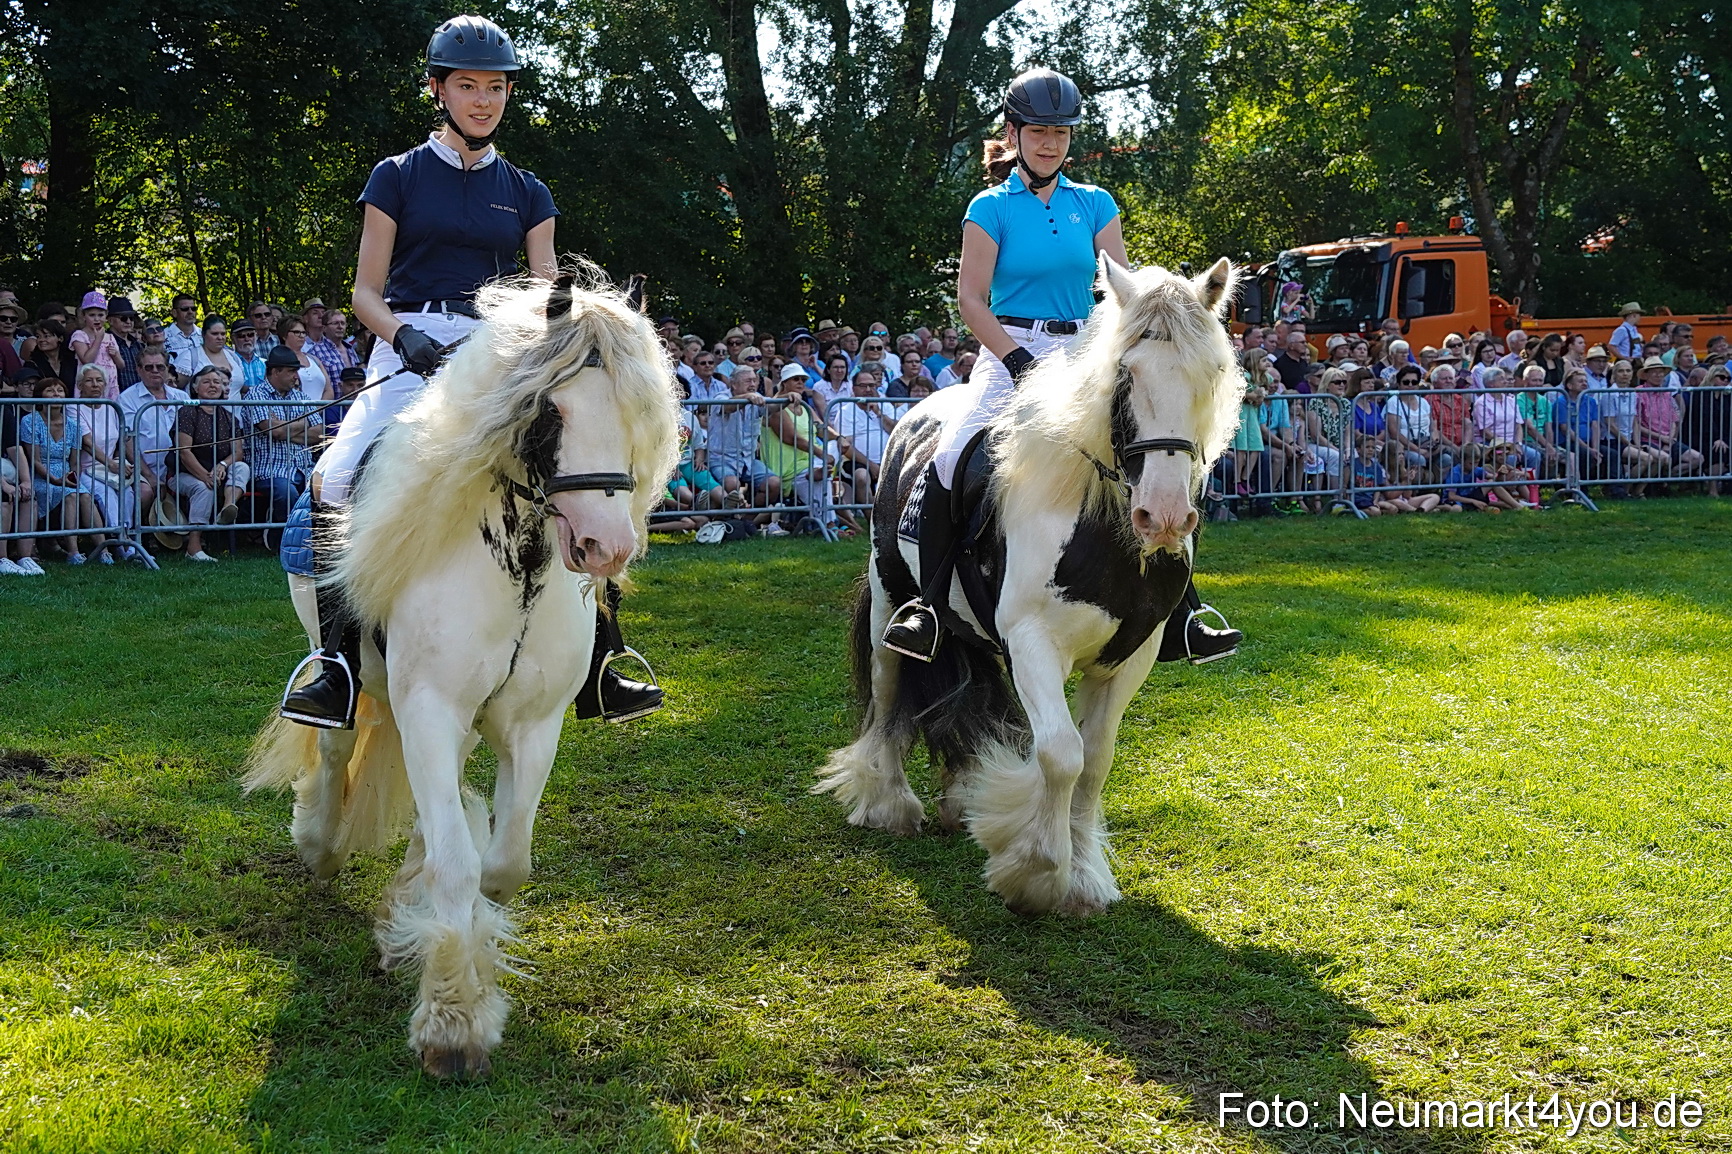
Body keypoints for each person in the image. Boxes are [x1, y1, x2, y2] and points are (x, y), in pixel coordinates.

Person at [282, 16, 659, 730]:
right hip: (408, 343)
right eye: (467, 86)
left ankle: (605, 655)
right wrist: (405, 333)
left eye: (495, 88)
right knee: (337, 477)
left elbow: (551, 298)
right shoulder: (395, 177)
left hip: (502, 353)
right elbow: (364, 292)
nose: (483, 100)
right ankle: (334, 663)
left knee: (578, 477)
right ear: (438, 90)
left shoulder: (527, 190)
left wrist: (545, 350)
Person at [881, 68, 1239, 663]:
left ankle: (1182, 611)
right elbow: (972, 299)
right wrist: (1017, 358)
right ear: (1014, 133)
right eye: (1039, 132)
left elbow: (1120, 295)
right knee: (954, 452)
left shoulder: (1095, 204)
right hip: (1008, 351)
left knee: (1156, 453)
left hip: (1081, 352)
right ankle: (929, 606)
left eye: (1062, 133)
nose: (1051, 143)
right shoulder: (990, 207)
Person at [19, 374, 107, 563]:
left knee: (84, 496)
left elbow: (74, 461)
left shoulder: (73, 425)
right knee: (71, 495)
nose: (56, 394)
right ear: (40, 396)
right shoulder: (30, 421)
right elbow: (34, 460)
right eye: (50, 390)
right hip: (40, 475)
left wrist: (71, 477)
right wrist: (55, 480)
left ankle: (103, 550)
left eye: (60, 390)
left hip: (66, 473)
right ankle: (73, 552)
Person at [171, 365, 251, 562]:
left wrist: (222, 465)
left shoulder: (229, 417)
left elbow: (238, 452)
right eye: (206, 382)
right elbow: (184, 452)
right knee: (202, 489)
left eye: (217, 382)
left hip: (217, 474)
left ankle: (228, 507)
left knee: (242, 467)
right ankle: (193, 547)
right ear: (196, 388)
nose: (213, 385)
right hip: (184, 474)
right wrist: (206, 477)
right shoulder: (187, 412)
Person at [244, 345, 323, 533]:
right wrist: (302, 423)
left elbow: (319, 433)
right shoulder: (256, 394)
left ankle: (318, 539)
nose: (296, 376)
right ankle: (291, 537)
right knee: (286, 492)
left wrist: (283, 428)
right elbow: (273, 431)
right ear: (275, 371)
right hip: (269, 468)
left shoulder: (301, 396)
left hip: (303, 466)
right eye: (291, 371)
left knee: (326, 490)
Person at [117, 347, 188, 523]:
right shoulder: (127, 399)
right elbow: (128, 443)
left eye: (160, 367)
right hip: (142, 469)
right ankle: (136, 535)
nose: (155, 371)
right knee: (146, 492)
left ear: (167, 369)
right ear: (139, 370)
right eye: (149, 367)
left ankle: (192, 534)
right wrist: (149, 476)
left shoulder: (181, 396)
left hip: (179, 468)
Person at [69, 292, 122, 398]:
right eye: (92, 315)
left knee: (109, 413)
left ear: (106, 316)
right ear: (84, 316)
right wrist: (98, 339)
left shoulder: (110, 337)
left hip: (110, 385)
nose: (97, 319)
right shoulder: (79, 335)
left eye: (100, 315)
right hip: (90, 385)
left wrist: (115, 355)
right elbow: (87, 360)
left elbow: (121, 365)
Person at [276, 315, 332, 400]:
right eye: (297, 332)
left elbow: (329, 390)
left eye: (303, 332)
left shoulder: (314, 359)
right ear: (284, 335)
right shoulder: (278, 360)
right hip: (295, 411)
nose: (301, 336)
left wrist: (316, 411)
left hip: (320, 412)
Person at [190, 315, 245, 391]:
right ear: (203, 334)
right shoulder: (190, 356)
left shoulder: (233, 356)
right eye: (215, 334)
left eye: (223, 334)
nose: (220, 337)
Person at [27, 319, 77, 391]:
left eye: (46, 336)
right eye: (38, 336)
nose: (41, 340)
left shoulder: (72, 360)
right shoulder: (32, 363)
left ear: (60, 338)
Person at [163, 294, 202, 376]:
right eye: (185, 309)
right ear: (174, 313)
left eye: (193, 309)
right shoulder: (162, 337)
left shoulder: (205, 336)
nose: (190, 312)